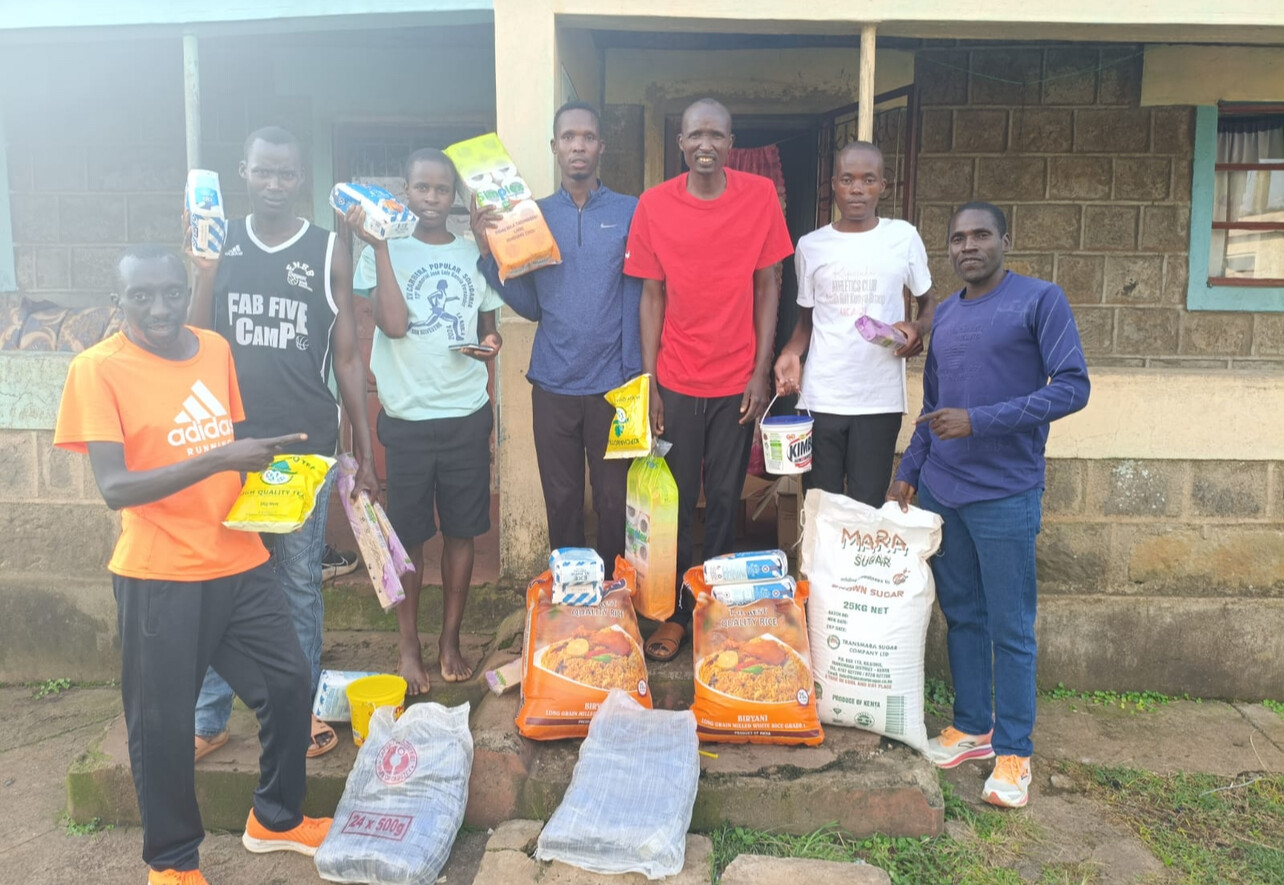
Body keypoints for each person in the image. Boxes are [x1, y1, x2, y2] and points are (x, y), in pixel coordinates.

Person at [54, 245, 331, 885]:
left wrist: (278, 489)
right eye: (141, 296)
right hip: (160, 576)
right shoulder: (97, 370)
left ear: (188, 291)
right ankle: (173, 862)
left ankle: (276, 818)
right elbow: (116, 487)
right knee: (162, 725)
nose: (159, 308)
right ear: (118, 300)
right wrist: (222, 458)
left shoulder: (214, 349)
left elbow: (229, 449)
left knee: (288, 684)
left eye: (171, 293)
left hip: (238, 559)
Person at [888, 202, 1090, 808]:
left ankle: (1014, 751)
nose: (968, 246)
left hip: (1006, 492)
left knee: (1010, 625)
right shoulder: (946, 314)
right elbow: (934, 406)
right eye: (958, 238)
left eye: (981, 235)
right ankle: (972, 727)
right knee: (963, 614)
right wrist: (908, 472)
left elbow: (1072, 387)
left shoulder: (1040, 300)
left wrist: (980, 420)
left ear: (1005, 239)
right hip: (944, 491)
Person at [187, 125, 379, 761]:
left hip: (302, 446)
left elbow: (347, 357)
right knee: (223, 577)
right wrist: (204, 271)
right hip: (225, 443)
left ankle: (296, 711)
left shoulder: (327, 250)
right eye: (263, 171)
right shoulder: (219, 241)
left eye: (287, 173)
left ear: (302, 178)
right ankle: (208, 717)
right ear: (243, 171)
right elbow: (192, 338)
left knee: (297, 580)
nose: (274, 183)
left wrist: (364, 452)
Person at [625, 98, 794, 661]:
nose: (706, 144)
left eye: (716, 135)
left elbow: (768, 286)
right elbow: (651, 295)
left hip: (735, 381)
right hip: (675, 378)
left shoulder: (759, 197)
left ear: (730, 143)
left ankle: (714, 609)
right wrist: (650, 382)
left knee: (723, 498)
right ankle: (674, 613)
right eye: (695, 135)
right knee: (673, 503)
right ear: (680, 143)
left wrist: (760, 371)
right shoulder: (654, 205)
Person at [347, 148, 504, 694]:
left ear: (455, 195)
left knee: (462, 531)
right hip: (408, 418)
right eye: (422, 188)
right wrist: (380, 246)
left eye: (442, 189)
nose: (432, 198)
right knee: (408, 537)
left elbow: (488, 325)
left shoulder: (471, 252)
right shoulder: (382, 251)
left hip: (465, 414)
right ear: (405, 191)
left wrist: (489, 342)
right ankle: (409, 644)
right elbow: (392, 325)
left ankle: (450, 639)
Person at [473, 100, 641, 567]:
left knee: (615, 503)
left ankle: (614, 595)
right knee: (562, 504)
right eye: (568, 137)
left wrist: (636, 376)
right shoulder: (533, 217)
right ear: (554, 147)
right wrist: (487, 252)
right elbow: (531, 306)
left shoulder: (630, 212)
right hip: (553, 385)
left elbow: (639, 295)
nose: (578, 146)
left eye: (587, 137)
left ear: (601, 146)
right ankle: (570, 597)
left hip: (615, 388)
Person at [774, 141, 934, 507]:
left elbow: (928, 304)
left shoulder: (903, 237)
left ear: (883, 186)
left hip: (879, 399)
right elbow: (805, 324)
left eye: (868, 179)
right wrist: (789, 354)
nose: (857, 189)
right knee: (820, 505)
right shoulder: (811, 246)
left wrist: (917, 329)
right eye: (847, 179)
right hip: (822, 397)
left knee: (867, 506)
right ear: (834, 185)